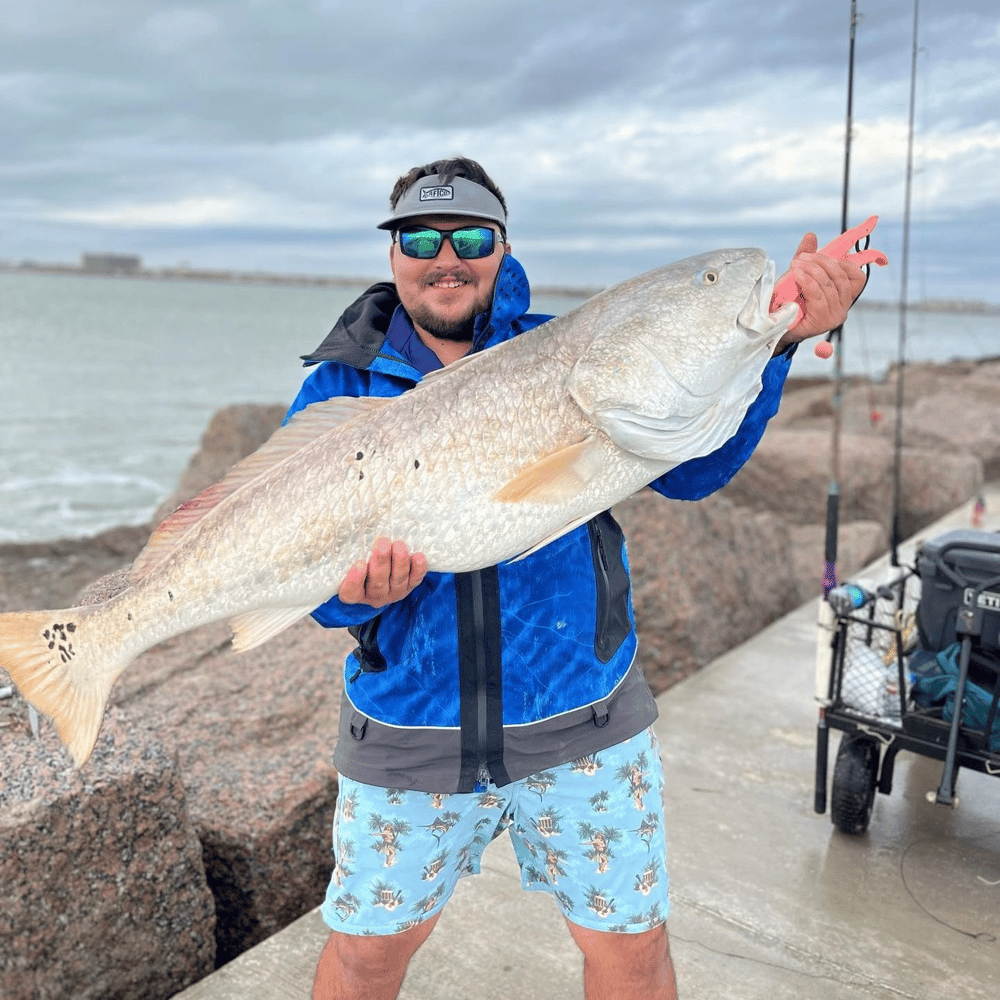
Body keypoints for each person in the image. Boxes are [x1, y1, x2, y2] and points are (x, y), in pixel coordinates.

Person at [285, 157, 868, 1000]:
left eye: (470, 236)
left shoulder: (573, 348)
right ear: (393, 253)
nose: (445, 255)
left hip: (585, 719)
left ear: (502, 247)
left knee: (631, 952)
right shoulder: (334, 390)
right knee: (366, 956)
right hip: (409, 727)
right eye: (420, 235)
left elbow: (693, 471)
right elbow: (304, 577)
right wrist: (352, 596)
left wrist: (776, 343)